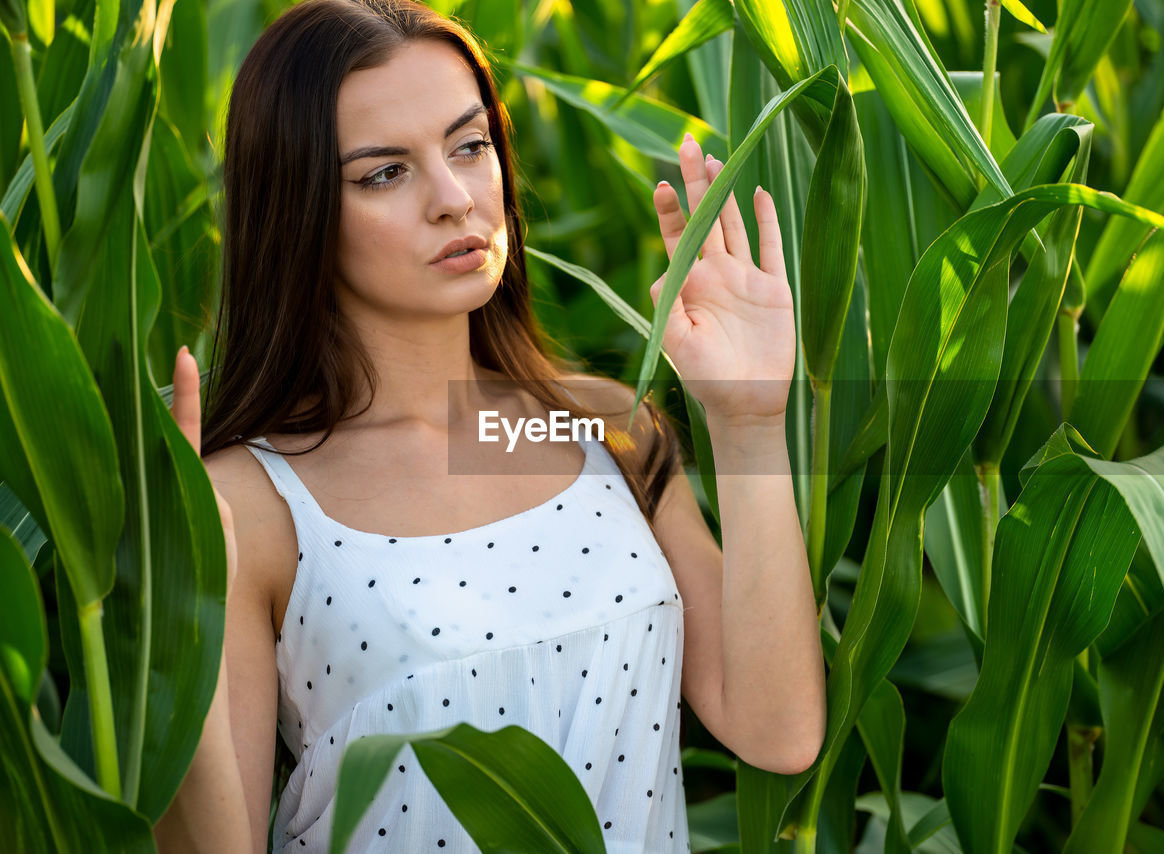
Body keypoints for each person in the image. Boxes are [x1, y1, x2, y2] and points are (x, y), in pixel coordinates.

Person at [154, 0, 827, 851]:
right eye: (384, 173)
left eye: (469, 147)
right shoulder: (250, 505)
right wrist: (174, 606)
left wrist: (748, 423)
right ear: (299, 211)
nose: (454, 199)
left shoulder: (606, 429)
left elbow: (778, 730)